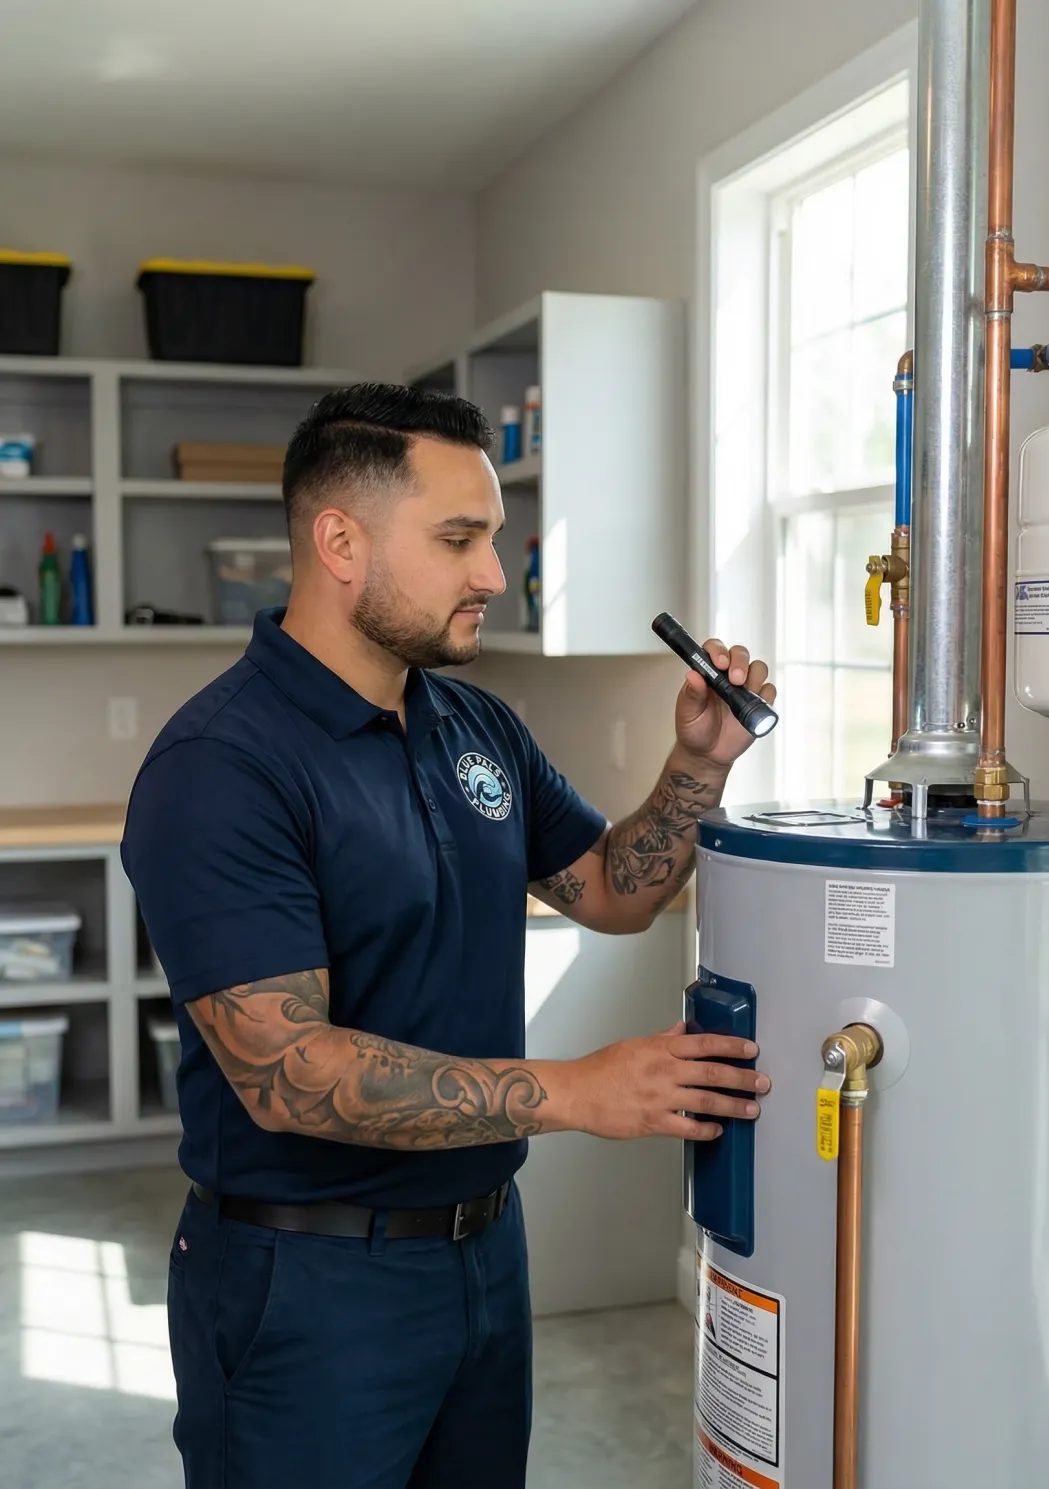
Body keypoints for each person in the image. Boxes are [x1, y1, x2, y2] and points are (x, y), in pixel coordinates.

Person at [122, 383, 776, 1489]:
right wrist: (576, 1089)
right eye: (459, 539)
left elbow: (612, 887)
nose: (493, 573)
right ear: (340, 540)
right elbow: (287, 1071)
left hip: (481, 1256)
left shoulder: (475, 724)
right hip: (307, 1280)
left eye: (493, 540)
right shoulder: (221, 767)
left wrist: (698, 765)